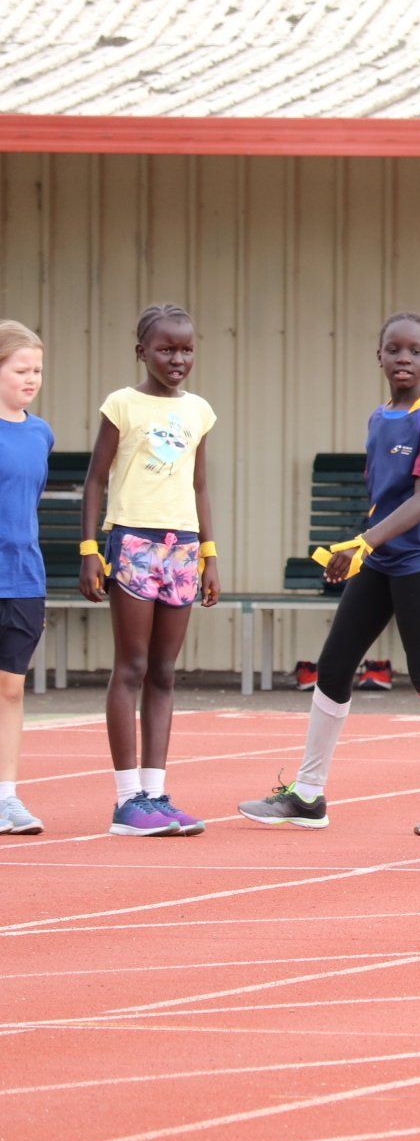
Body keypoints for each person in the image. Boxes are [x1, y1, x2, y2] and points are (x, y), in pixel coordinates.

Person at [238, 313, 420, 836]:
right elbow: (383, 498)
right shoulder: (379, 418)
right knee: (334, 664)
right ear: (378, 357)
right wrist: (357, 549)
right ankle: (308, 795)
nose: (404, 358)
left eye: (415, 350)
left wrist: (366, 540)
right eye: (394, 349)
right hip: (380, 557)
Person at [80, 303, 220, 837]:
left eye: (186, 349)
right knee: (132, 666)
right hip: (133, 541)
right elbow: (96, 479)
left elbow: (200, 486)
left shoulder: (199, 412)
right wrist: (91, 548)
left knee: (164, 672)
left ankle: (157, 794)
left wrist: (209, 554)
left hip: (182, 547)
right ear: (142, 351)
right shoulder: (123, 405)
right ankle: (126, 800)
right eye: (165, 349)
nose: (177, 358)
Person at [0, 322, 51, 835]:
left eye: (36, 369)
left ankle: (7, 797)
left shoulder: (41, 432)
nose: (31, 378)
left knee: (10, 691)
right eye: (20, 370)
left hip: (23, 581)